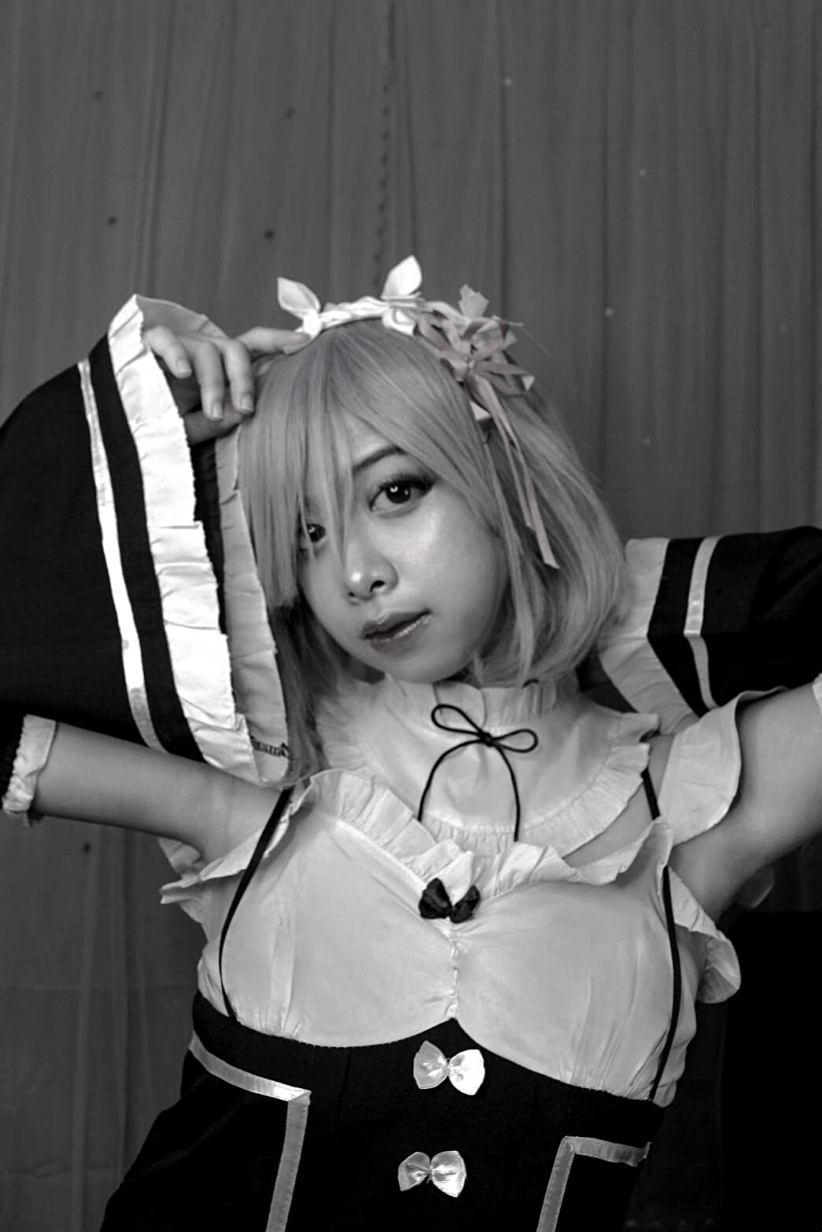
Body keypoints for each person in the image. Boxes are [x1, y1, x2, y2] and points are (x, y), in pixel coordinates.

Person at [1, 257, 821, 1231]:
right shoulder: (260, 764)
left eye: (395, 490)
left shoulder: (685, 808)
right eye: (306, 532)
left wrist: (605, 595)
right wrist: (110, 426)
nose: (353, 573)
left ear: (509, 480)